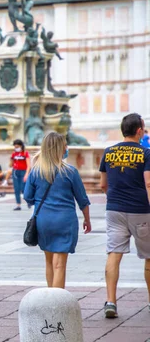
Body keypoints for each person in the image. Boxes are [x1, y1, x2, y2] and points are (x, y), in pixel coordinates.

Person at [24, 132, 91, 289]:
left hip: (43, 221)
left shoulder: (36, 171)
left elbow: (27, 197)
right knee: (59, 265)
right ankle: (58, 303)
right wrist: (87, 220)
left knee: (48, 261)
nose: (66, 148)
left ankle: (50, 297)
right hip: (65, 221)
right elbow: (82, 200)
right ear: (60, 149)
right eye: (65, 145)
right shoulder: (70, 172)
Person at [100, 113, 150, 318]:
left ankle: (111, 301)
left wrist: (114, 199)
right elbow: (148, 183)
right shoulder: (146, 153)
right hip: (141, 210)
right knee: (149, 256)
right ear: (139, 130)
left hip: (114, 209)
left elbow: (103, 184)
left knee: (114, 253)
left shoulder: (108, 152)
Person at [11, 139, 31, 211]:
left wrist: (26, 174)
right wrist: (11, 158)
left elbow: (28, 165)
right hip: (15, 172)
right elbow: (11, 165)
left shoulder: (25, 153)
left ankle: (29, 201)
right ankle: (18, 204)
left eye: (17, 146)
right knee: (16, 189)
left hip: (23, 171)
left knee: (24, 188)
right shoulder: (14, 154)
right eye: (15, 147)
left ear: (21, 146)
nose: (16, 148)